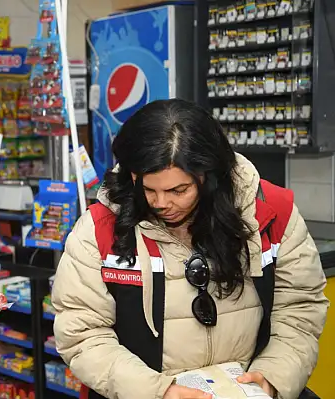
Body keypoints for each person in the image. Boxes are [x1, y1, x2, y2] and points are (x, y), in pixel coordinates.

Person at [51, 99, 328, 399]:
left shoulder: (270, 213)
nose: (160, 203)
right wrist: (159, 392)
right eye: (148, 189)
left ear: (210, 176)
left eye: (178, 190)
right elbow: (82, 333)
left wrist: (273, 377)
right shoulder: (99, 230)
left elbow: (299, 309)